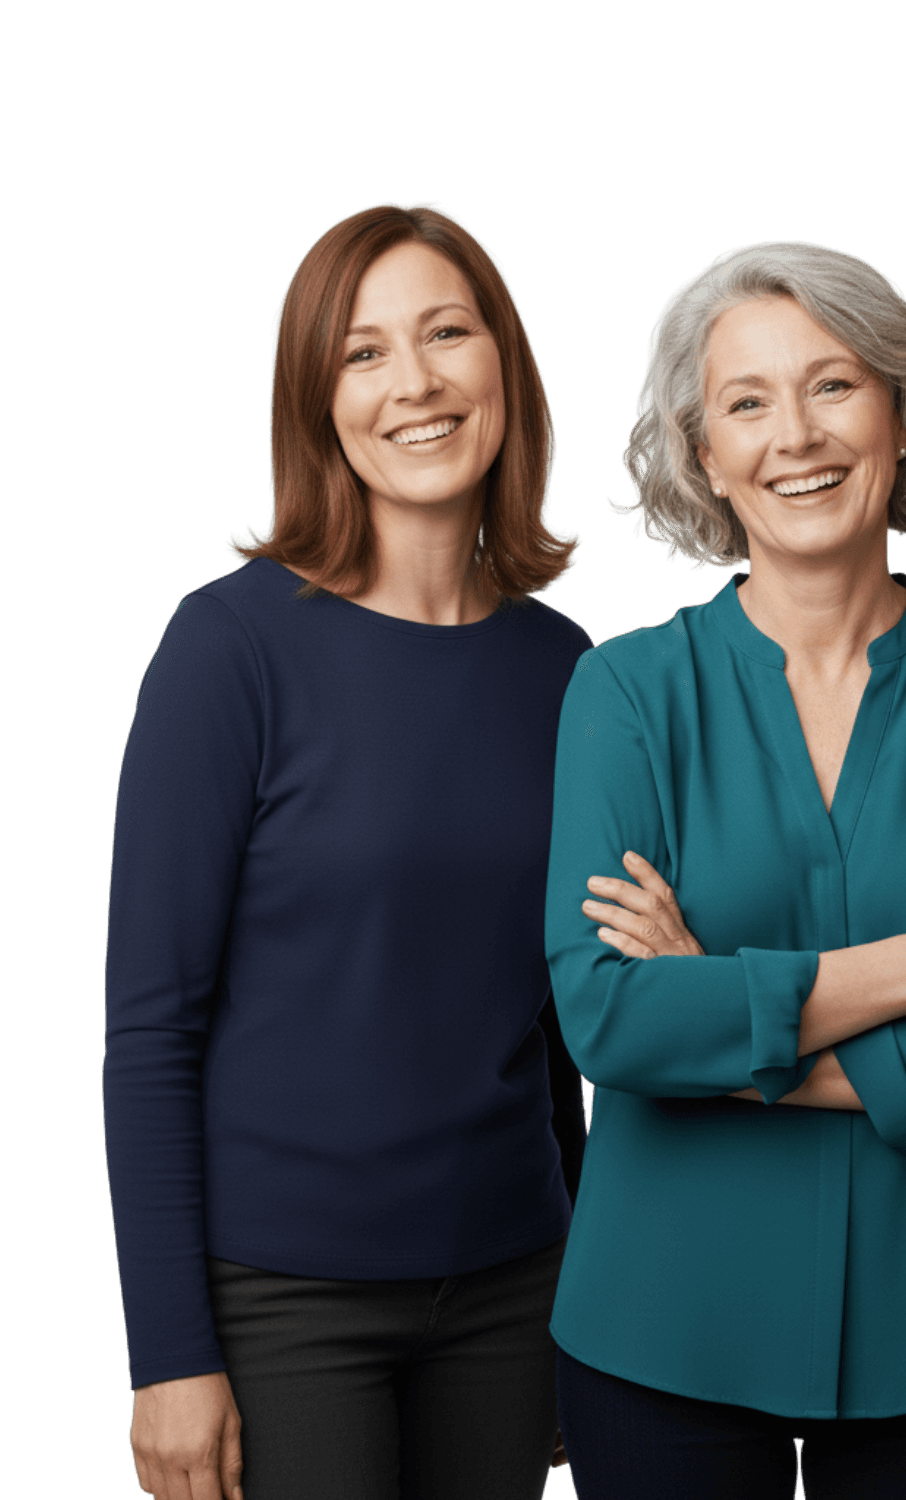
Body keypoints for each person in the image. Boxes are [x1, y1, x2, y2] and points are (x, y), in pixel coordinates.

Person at [542, 241, 906, 1499]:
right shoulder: (625, 698)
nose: (795, 436)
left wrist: (736, 1034)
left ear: (902, 418)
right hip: (663, 1331)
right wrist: (904, 969)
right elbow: (607, 1014)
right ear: (705, 455)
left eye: (835, 386)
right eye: (747, 403)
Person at [103, 201, 589, 1500]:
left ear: (506, 369)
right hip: (282, 1308)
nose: (414, 382)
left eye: (446, 334)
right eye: (362, 354)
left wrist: (579, 1303)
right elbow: (150, 1029)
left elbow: (557, 1026)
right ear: (316, 403)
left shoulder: (567, 672)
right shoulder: (230, 652)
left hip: (511, 1294)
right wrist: (168, 1357)